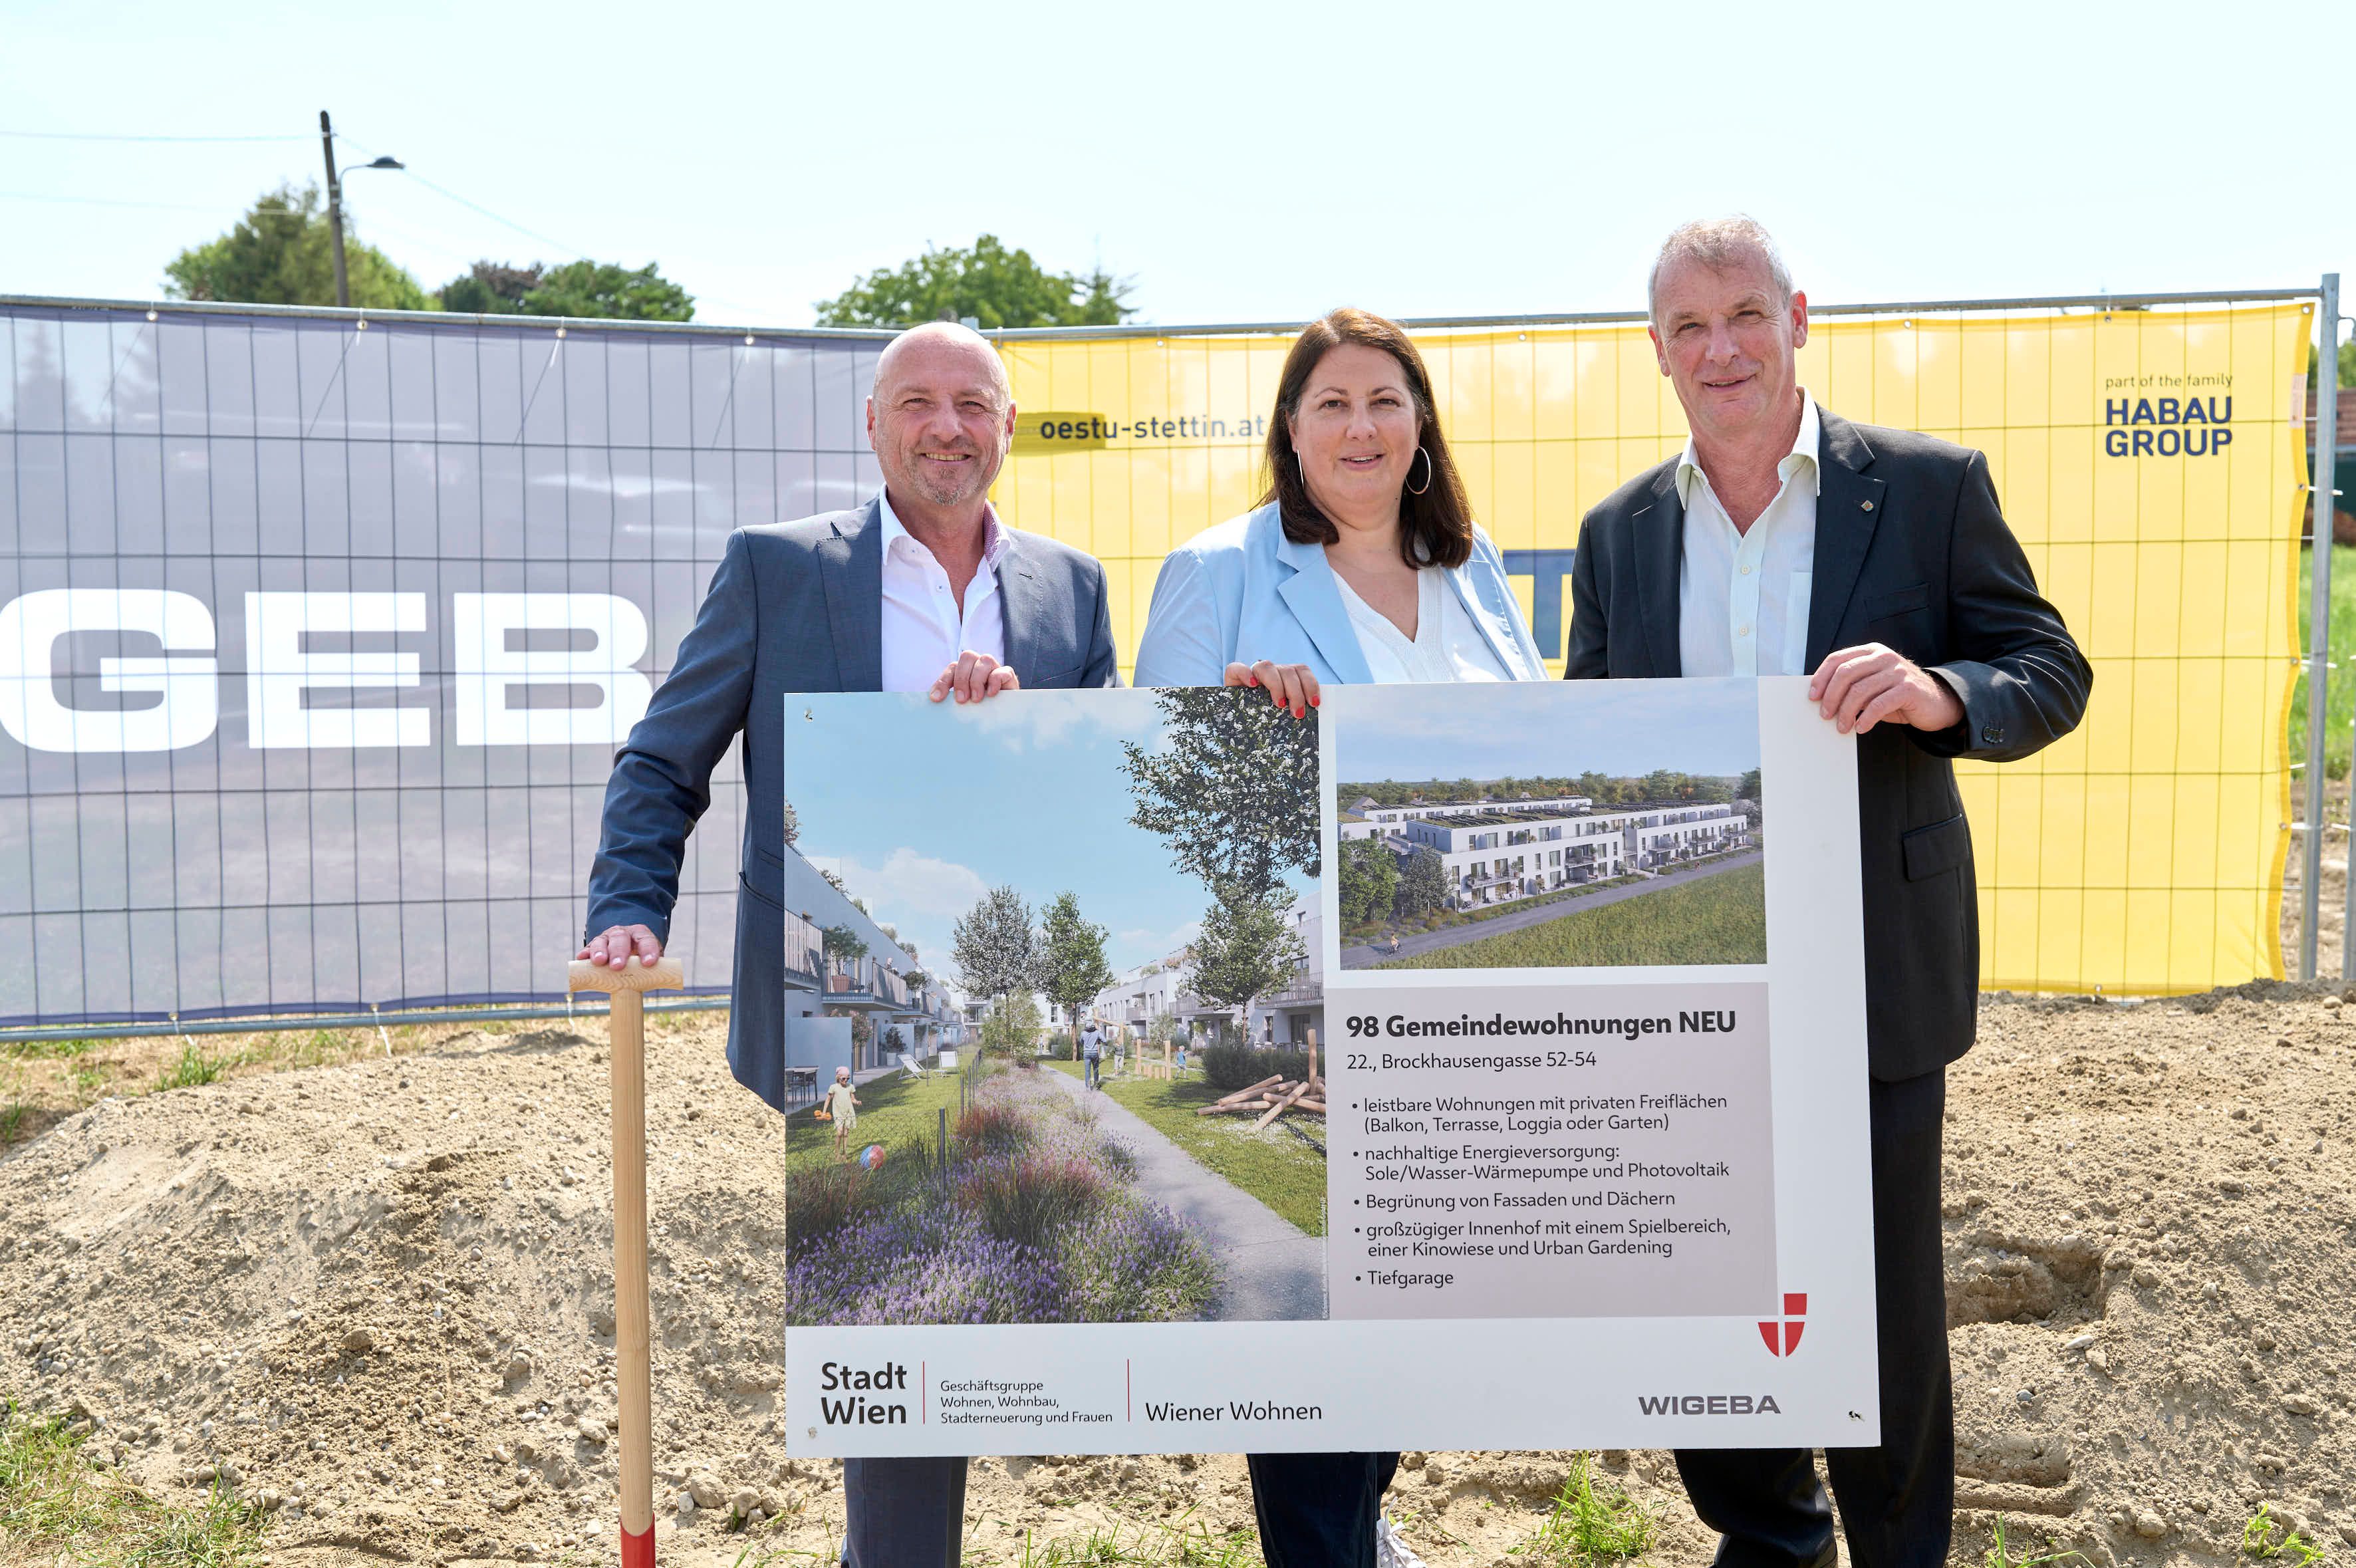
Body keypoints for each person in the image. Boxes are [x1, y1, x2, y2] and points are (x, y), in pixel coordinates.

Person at [1567, 217, 2091, 1568]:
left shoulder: (1922, 488)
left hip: (1870, 968)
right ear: (1655, 353)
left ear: (1799, 317)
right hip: (1686, 980)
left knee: (1878, 1311)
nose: (1719, 348)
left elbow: (2046, 669)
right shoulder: (1618, 531)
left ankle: (1897, 1549)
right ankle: (1772, 1537)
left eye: (1743, 314)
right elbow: (1584, 733)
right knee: (1704, 1282)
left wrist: (1936, 695)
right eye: (1687, 328)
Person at [579, 320, 1119, 1568]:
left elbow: (1095, 783)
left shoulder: (1069, 588)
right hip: (841, 1007)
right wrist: (629, 904)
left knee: (964, 1296)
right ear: (872, 424)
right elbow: (664, 757)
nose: (947, 426)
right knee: (903, 1312)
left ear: (1007, 428)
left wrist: (1026, 727)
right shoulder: (778, 568)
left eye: (973, 403)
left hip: (991, 998)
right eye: (918, 401)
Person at [1134, 306, 1549, 1568]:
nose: (1359, 425)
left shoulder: (1470, 574)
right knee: (1319, 1319)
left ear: (1420, 423)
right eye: (1331, 403)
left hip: (1470, 1011)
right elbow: (1170, 789)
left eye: (1384, 399)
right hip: (1341, 994)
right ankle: (1327, 1548)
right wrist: (1236, 728)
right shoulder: (1220, 571)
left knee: (1419, 1308)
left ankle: (1360, 1528)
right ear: (1290, 430)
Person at [821, 1066, 859, 1160]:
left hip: (848, 1112)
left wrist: (857, 1102)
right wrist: (824, 1112)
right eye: (843, 1078)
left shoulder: (850, 1087)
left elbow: (853, 1099)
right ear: (838, 1077)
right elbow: (828, 1100)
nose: (846, 1080)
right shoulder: (833, 1088)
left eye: (848, 1078)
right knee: (839, 1133)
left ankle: (845, 1154)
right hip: (838, 1113)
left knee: (846, 1134)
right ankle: (837, 1154)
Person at [1079, 1018, 1105, 1088]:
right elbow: (1104, 1040)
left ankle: (1088, 1087)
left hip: (1086, 1053)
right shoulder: (1097, 1032)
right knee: (1096, 1069)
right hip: (1094, 1053)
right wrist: (1098, 1039)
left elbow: (1081, 1042)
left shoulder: (1083, 1033)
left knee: (1087, 1071)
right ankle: (1096, 1086)